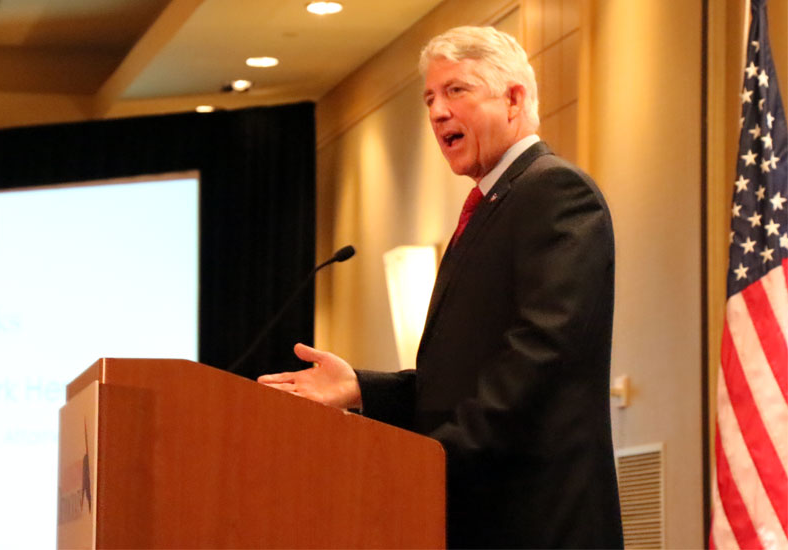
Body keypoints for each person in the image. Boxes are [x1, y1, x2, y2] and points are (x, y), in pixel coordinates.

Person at [259, 26, 623, 549]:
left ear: (514, 99)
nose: (436, 112)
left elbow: (537, 358)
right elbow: (459, 379)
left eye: (457, 90)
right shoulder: (487, 210)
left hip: (538, 524)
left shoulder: (556, 192)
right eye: (430, 97)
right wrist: (360, 388)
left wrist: (428, 461)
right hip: (482, 520)